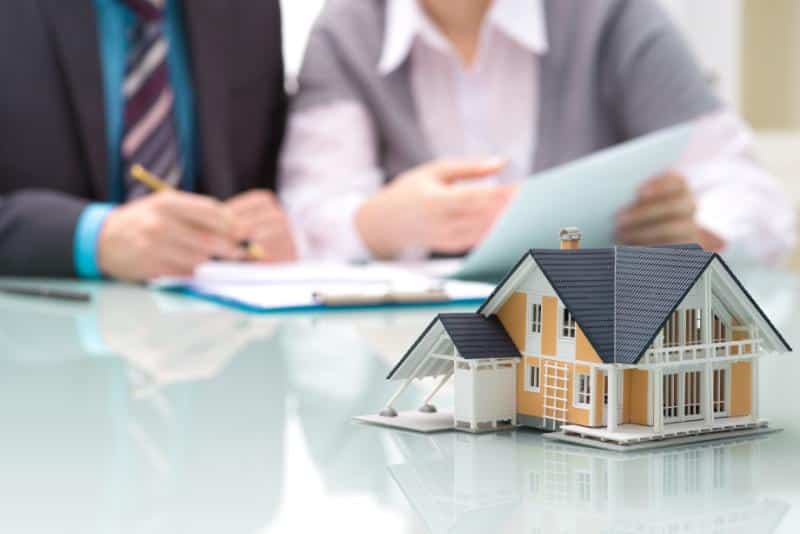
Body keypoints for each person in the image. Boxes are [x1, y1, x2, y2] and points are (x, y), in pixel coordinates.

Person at [279, 0, 795, 264]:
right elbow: (307, 214)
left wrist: (697, 234)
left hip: (600, 349)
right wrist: (379, 224)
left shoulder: (613, 16)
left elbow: (749, 194)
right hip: (405, 361)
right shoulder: (344, 32)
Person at [0, 0, 296, 281]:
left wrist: (270, 231)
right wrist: (95, 236)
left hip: (208, 321)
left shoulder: (251, 12)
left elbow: (266, 182)